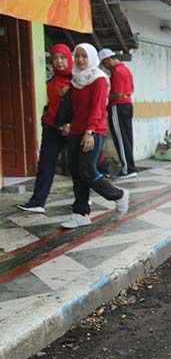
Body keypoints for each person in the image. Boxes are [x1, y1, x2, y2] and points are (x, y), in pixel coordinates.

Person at [61, 44, 129, 229]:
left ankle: (118, 195)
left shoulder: (98, 79)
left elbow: (98, 108)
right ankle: (81, 214)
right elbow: (75, 109)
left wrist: (89, 131)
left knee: (86, 170)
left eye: (84, 56)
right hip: (75, 131)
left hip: (93, 131)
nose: (80, 60)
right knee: (76, 172)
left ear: (91, 58)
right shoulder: (76, 80)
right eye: (77, 56)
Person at [17, 44, 73, 214]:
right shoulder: (51, 79)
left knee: (78, 167)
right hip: (51, 127)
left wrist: (72, 124)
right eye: (56, 58)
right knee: (46, 165)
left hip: (72, 128)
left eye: (62, 57)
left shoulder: (78, 79)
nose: (59, 61)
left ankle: (83, 199)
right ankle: (37, 201)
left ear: (69, 58)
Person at [99, 48, 137, 179]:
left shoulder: (117, 72)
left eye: (104, 63)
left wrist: (105, 98)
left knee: (120, 139)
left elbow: (117, 94)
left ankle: (127, 169)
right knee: (127, 138)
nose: (104, 67)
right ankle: (130, 166)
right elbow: (131, 88)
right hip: (127, 104)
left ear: (108, 60)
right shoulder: (126, 70)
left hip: (118, 106)